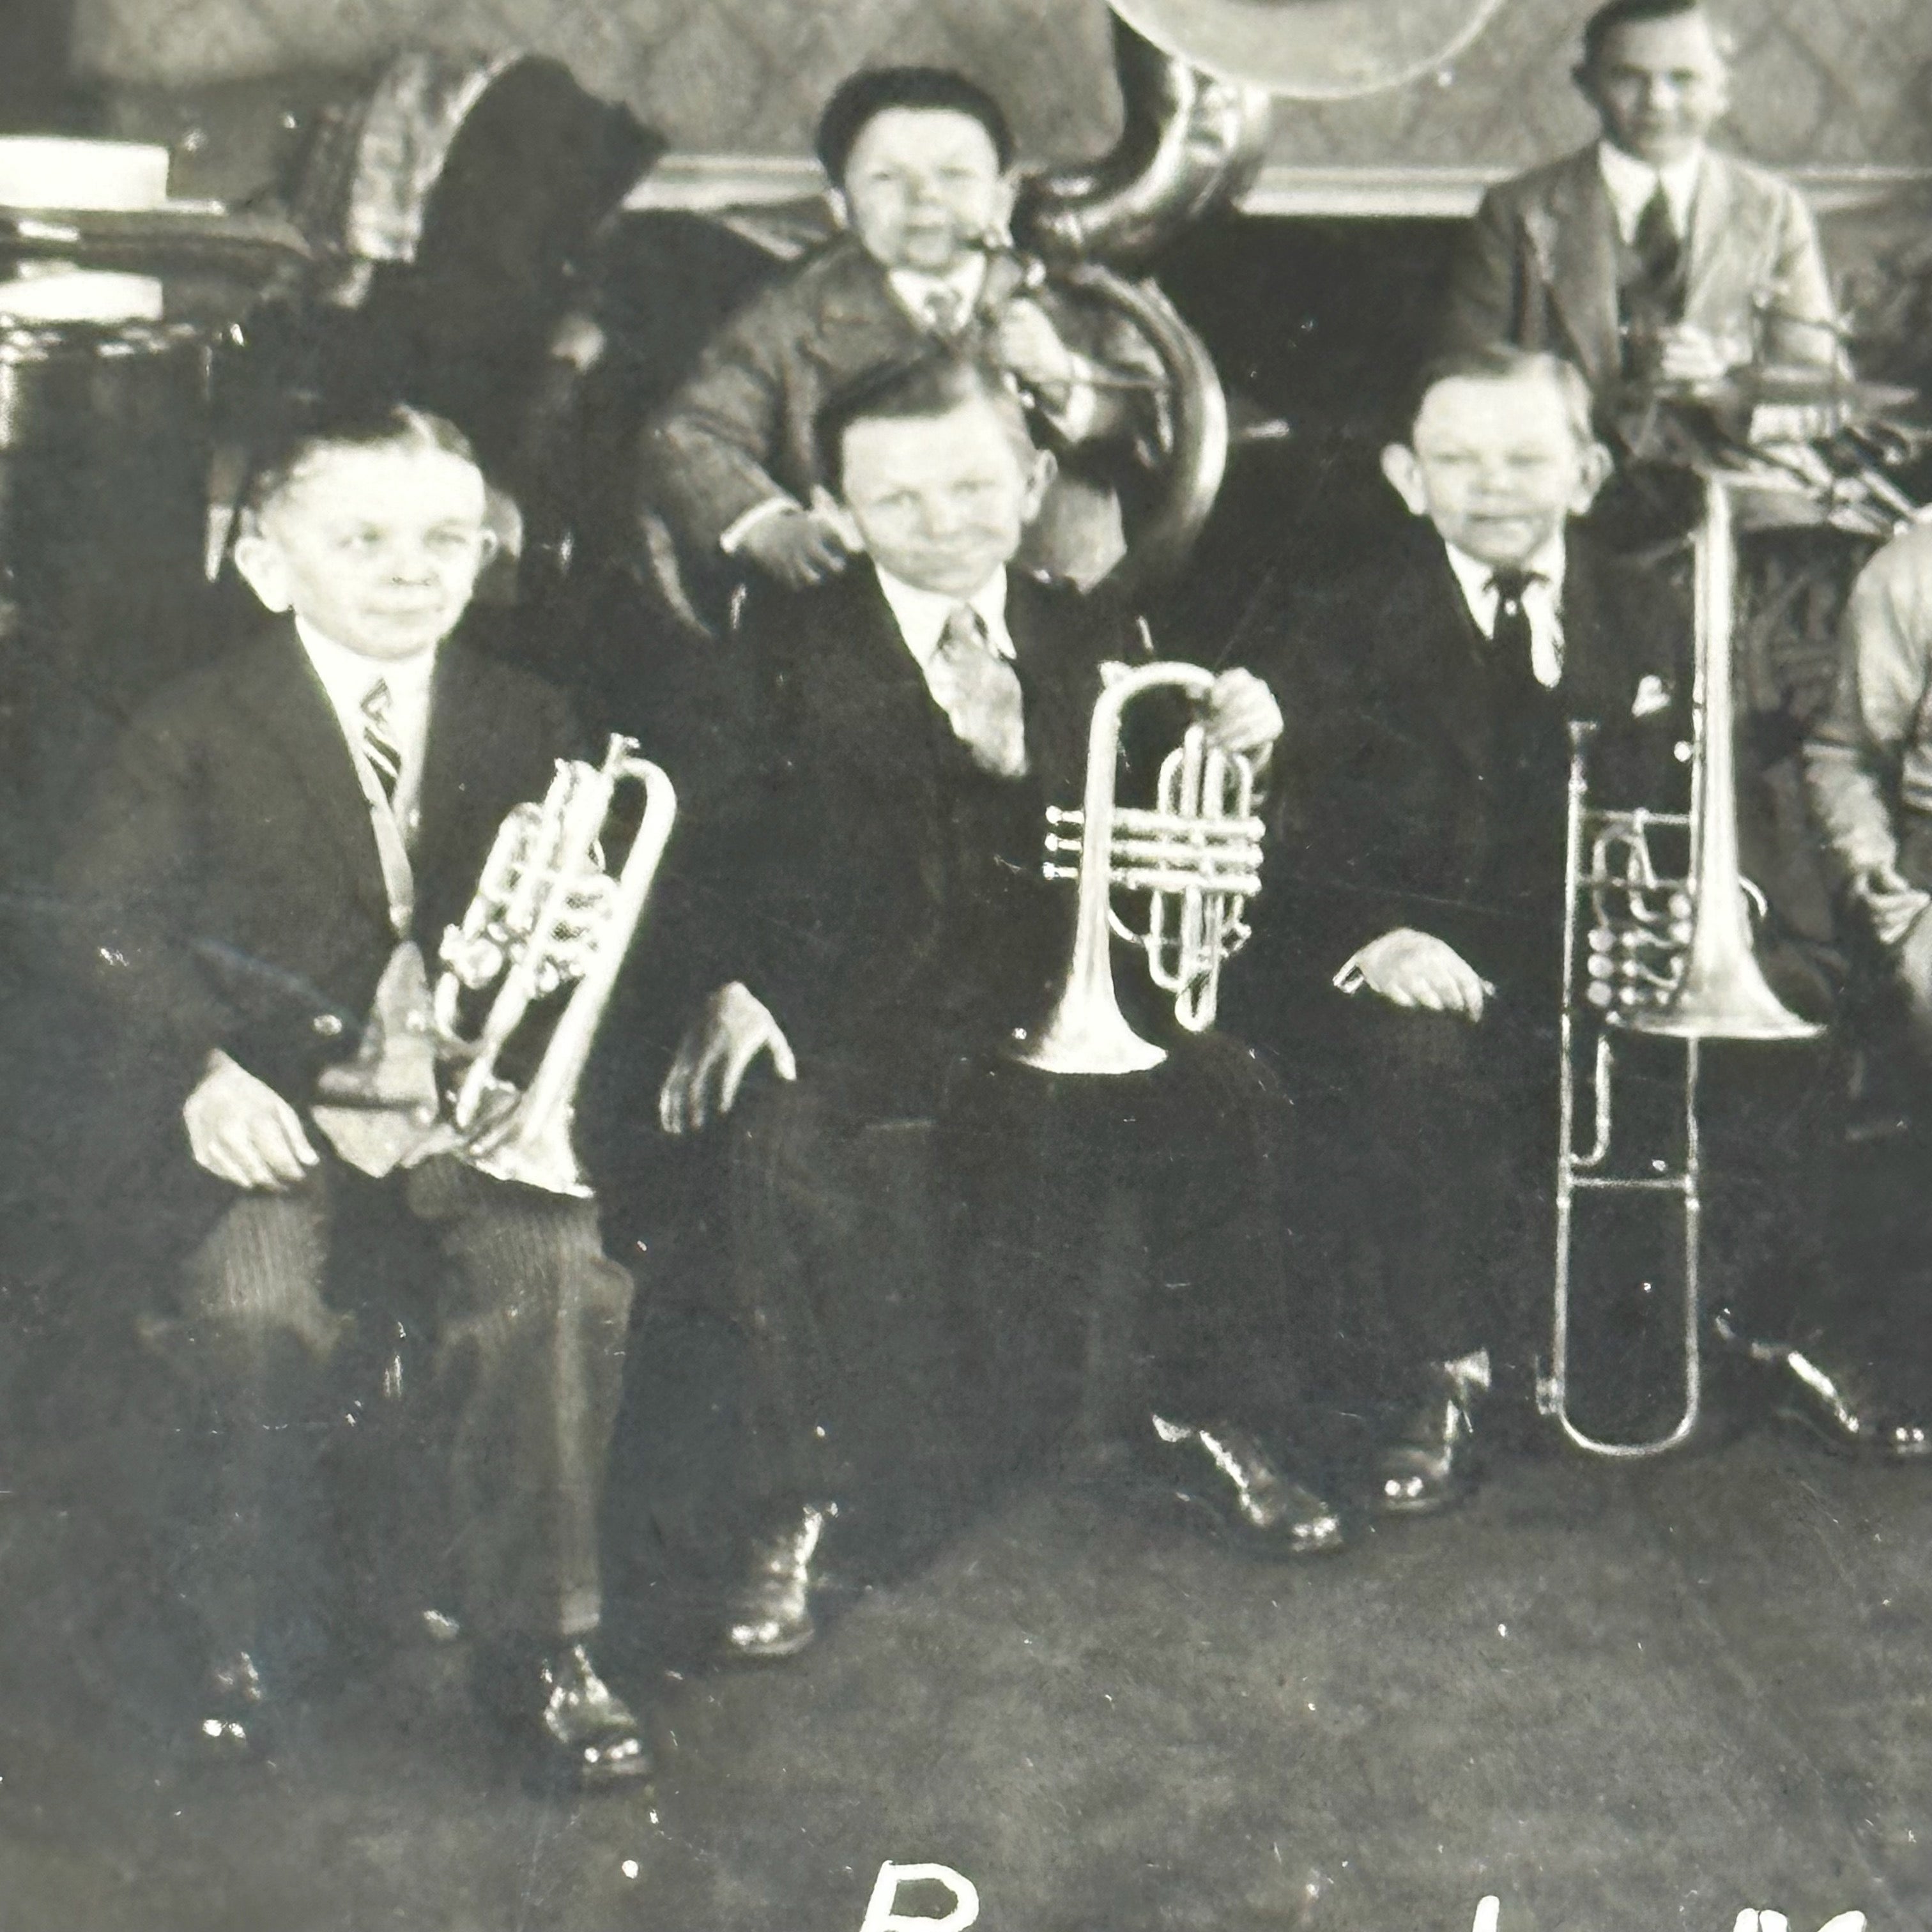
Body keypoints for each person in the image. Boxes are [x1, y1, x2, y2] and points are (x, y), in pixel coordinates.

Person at [657, 353, 1344, 1662]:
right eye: (898, 498)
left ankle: (1209, 1417)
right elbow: (708, 849)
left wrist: (1247, 753)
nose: (943, 518)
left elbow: (1182, 835)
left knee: (1232, 1094)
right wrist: (735, 981)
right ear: (842, 509)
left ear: (1032, 482)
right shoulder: (779, 650)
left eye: (974, 484)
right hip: (864, 1003)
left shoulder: (1098, 633)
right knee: (782, 1147)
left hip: (1063, 995)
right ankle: (792, 1501)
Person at [57, 405, 654, 1782]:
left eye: (446, 537)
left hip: (464, 1109)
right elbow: (102, 927)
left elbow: (573, 936)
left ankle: (544, 1644)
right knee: (252, 1306)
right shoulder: (193, 724)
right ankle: (241, 1628)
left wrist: (548, 975)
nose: (409, 568)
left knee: (552, 1277)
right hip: (275, 1108)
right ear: (268, 565)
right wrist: (198, 1071)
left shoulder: (528, 713)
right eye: (363, 539)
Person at [1225, 348, 1691, 1512]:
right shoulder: (1334, 622)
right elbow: (1283, 830)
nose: (1492, 483)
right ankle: (1444, 1369)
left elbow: (1713, 791)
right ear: (1403, 475)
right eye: (1455, 458)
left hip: (1604, 947)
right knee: (1410, 1057)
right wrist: (1373, 937)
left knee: (1769, 1010)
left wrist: (1704, 905)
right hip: (1422, 954)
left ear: (1583, 473)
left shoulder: (1652, 606)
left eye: (1526, 456)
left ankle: (1720, 1335)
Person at [641, 65, 1163, 595]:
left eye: (955, 175)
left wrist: (1067, 378)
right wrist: (768, 525)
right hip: (868, 600)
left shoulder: (1081, 296)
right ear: (842, 206)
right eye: (888, 180)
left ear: (1003, 198)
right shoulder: (791, 310)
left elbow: (1174, 419)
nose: (925, 200)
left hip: (1069, 591)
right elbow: (688, 434)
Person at [1441, 0, 1840, 397]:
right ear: (1587, 85)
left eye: (1683, 79)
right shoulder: (1518, 211)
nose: (1658, 102)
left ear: (1723, 89)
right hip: (1569, 454)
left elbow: (1818, 379)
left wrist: (1727, 381)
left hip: (1733, 456)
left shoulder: (1774, 210)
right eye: (1628, 78)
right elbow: (1463, 375)